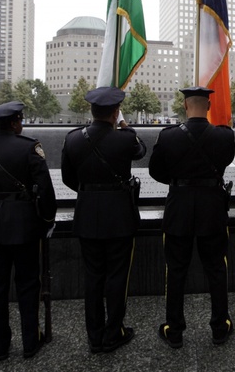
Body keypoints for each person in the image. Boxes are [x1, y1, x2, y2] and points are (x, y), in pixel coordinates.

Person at [0, 100, 57, 361]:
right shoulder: (29, 148)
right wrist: (48, 219)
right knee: (28, 285)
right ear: (15, 122)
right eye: (21, 120)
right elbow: (45, 190)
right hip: (24, 226)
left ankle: (1, 348)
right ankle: (30, 342)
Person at [149, 86, 235, 348]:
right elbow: (226, 162)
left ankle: (174, 330)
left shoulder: (168, 136)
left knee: (176, 271)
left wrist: (179, 181)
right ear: (208, 107)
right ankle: (220, 327)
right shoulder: (224, 136)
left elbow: (155, 171)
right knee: (216, 270)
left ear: (185, 106)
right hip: (212, 208)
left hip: (179, 209)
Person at [61, 87, 146, 353]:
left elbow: (67, 178)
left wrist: (89, 194)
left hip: (87, 215)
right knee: (117, 275)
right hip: (120, 216)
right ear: (114, 111)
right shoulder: (124, 138)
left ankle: (94, 336)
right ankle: (114, 332)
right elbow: (141, 150)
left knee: (93, 277)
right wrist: (124, 124)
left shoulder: (72, 139)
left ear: (91, 111)